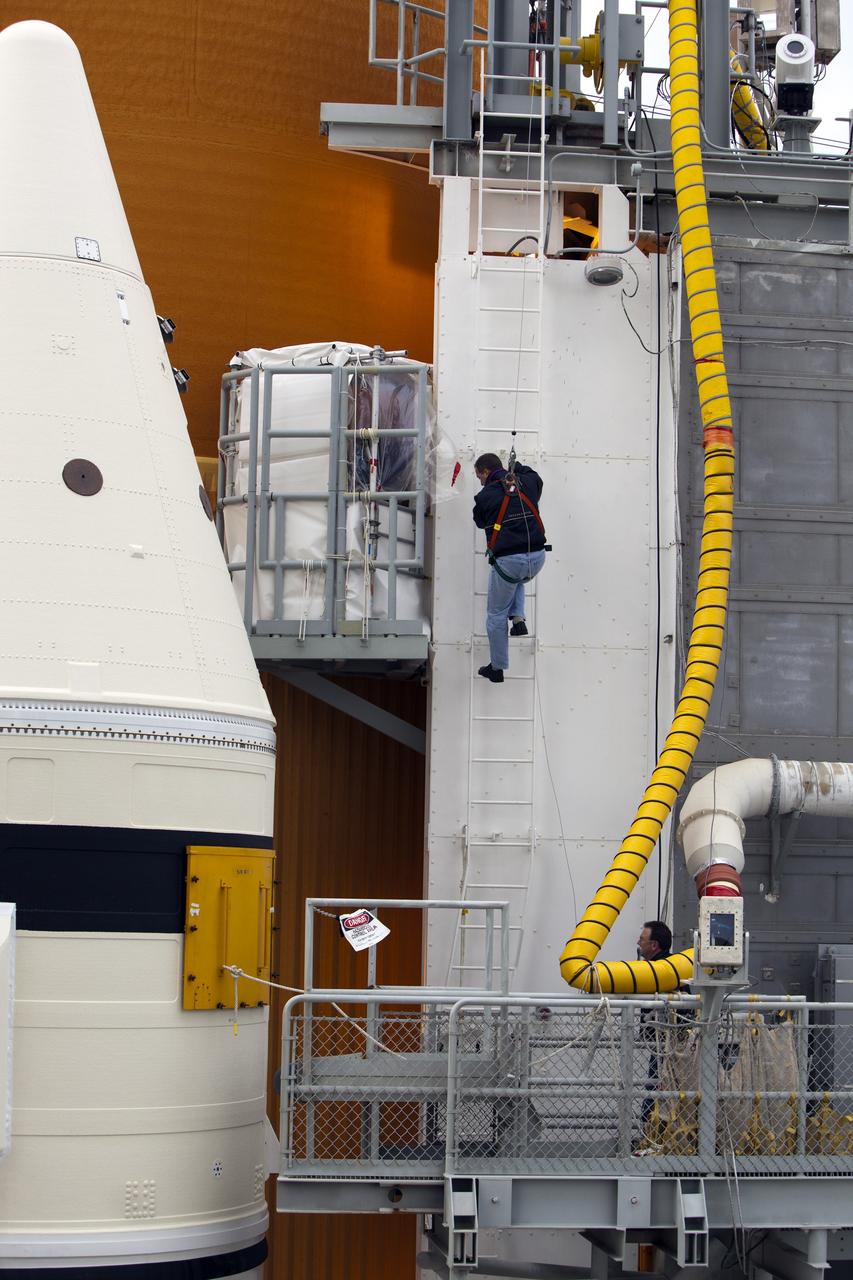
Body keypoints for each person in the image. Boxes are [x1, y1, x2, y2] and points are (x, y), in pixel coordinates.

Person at [472, 452, 547, 684]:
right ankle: (518, 619)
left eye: (479, 476)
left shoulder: (485, 496)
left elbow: (480, 521)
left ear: (486, 472)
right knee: (515, 579)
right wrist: (516, 467)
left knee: (495, 615)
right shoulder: (527, 482)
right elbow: (535, 476)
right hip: (537, 558)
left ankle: (497, 667)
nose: (480, 481)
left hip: (510, 563)